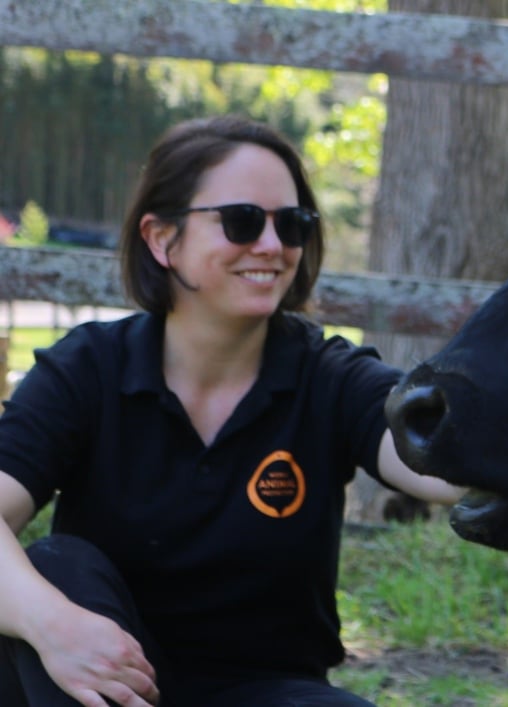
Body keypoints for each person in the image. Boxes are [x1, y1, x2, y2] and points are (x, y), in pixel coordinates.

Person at [0, 115, 465, 707]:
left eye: (291, 225)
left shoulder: (328, 378)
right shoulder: (88, 371)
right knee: (59, 567)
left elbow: (442, 463)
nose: (271, 247)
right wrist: (53, 625)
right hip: (106, 683)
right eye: (242, 221)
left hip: (265, 692)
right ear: (161, 237)